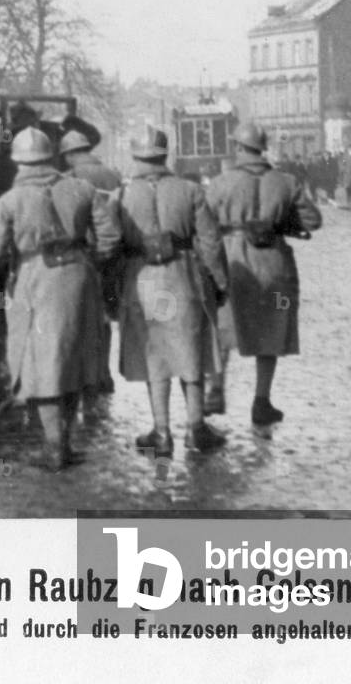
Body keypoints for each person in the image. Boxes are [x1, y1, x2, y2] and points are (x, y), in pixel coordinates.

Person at [0, 127, 121, 471]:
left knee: (45, 362)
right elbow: (110, 237)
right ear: (52, 156)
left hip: (37, 280)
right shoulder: (82, 189)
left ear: (18, 163)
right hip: (81, 278)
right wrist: (89, 261)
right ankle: (65, 438)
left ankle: (55, 445)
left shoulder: (8, 202)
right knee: (74, 357)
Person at [115, 128, 228, 456]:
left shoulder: (122, 196)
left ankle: (161, 431)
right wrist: (220, 282)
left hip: (142, 280)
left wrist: (113, 286)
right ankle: (196, 427)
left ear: (136, 157)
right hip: (183, 276)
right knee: (191, 350)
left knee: (155, 354)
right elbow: (210, 242)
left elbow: (112, 243)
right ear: (166, 155)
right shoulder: (191, 191)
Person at [205, 123, 322, 425]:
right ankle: (262, 401)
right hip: (275, 264)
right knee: (274, 322)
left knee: (222, 325)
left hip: (234, 262)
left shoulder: (220, 183)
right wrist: (284, 223)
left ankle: (216, 390)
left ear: (239, 147)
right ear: (262, 147)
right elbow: (313, 220)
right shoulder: (286, 181)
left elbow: (204, 224)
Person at [58, 121, 122, 409]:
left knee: (79, 318)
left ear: (69, 154)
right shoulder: (112, 174)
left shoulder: (68, 177)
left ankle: (84, 375)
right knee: (106, 317)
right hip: (111, 255)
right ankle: (104, 372)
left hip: (81, 257)